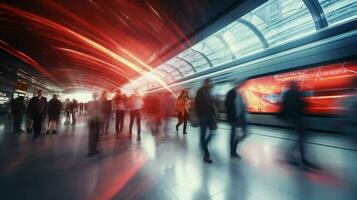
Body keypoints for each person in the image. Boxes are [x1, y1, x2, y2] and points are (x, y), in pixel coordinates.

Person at [280, 81, 319, 169]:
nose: (298, 86)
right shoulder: (294, 93)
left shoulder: (288, 93)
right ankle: (299, 157)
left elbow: (286, 105)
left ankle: (291, 155)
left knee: (297, 136)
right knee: (301, 137)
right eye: (296, 85)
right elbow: (299, 104)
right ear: (294, 85)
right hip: (296, 118)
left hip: (292, 118)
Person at [195, 79, 218, 163]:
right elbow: (197, 105)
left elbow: (212, 104)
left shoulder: (209, 92)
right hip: (203, 116)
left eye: (211, 83)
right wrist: (199, 116)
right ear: (205, 83)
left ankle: (203, 144)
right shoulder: (200, 92)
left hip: (209, 116)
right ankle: (206, 155)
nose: (211, 84)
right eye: (209, 83)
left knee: (212, 133)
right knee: (203, 134)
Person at [225, 81, 248, 159]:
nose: (239, 85)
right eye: (237, 83)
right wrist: (232, 117)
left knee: (238, 135)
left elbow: (242, 105)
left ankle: (233, 152)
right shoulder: (231, 93)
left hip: (239, 118)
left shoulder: (238, 93)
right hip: (234, 118)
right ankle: (232, 153)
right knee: (234, 136)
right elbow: (229, 106)